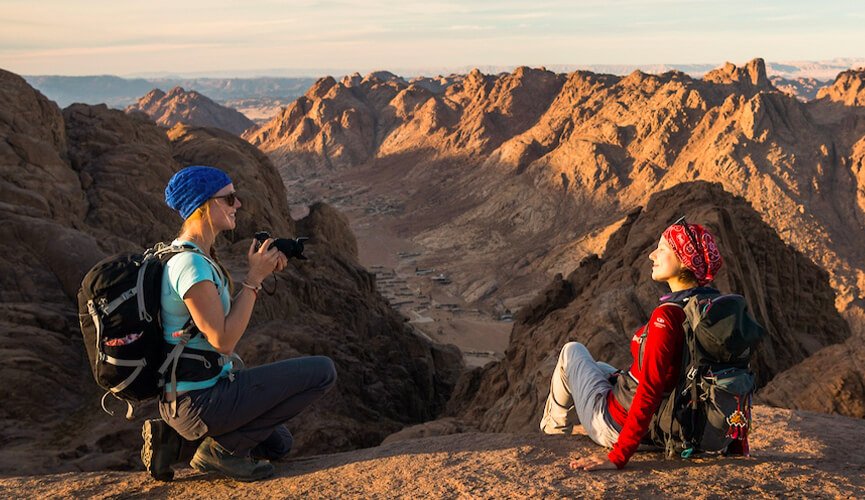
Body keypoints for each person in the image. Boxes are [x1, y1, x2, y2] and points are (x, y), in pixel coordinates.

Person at [140, 165, 337, 482]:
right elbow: (222, 340)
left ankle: (173, 442)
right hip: (200, 401)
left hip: (193, 395)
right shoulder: (190, 265)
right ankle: (219, 452)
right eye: (229, 198)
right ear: (205, 204)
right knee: (323, 371)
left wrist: (259, 273)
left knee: (279, 444)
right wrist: (254, 279)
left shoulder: (191, 255)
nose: (238, 204)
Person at [539, 217, 723, 470]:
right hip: (670, 423)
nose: (651, 255)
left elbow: (650, 388)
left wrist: (617, 457)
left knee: (572, 352)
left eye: (662, 249)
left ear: (684, 261)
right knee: (602, 367)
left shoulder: (668, 315)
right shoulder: (709, 306)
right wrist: (737, 446)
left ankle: (553, 433)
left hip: (618, 427)